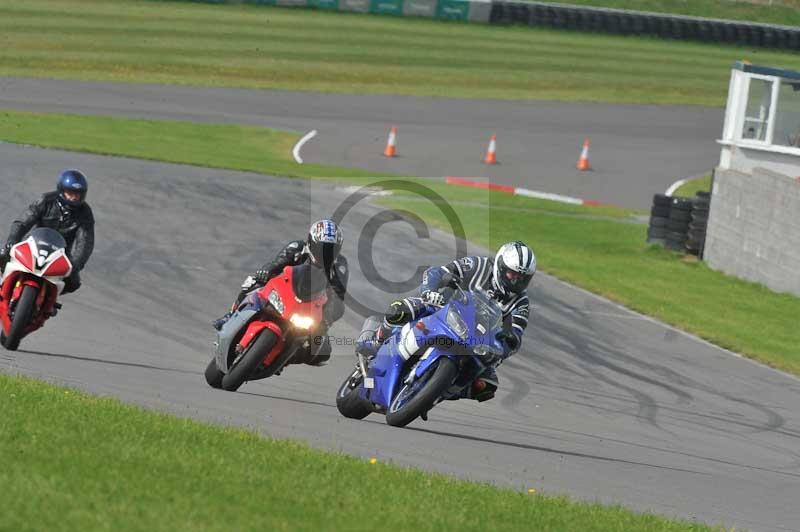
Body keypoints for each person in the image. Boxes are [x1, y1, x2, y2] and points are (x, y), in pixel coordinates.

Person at [356, 241, 535, 402]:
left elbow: (516, 334)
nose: (515, 280)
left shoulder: (521, 303)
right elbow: (438, 272)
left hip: (477, 342)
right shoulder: (478, 265)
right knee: (400, 309)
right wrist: (430, 291)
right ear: (500, 266)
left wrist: (506, 343)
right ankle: (378, 340)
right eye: (512, 274)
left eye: (522, 278)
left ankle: (439, 391)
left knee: (487, 385)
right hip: (443, 310)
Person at [213, 219, 349, 367]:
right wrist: (265, 272)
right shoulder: (297, 248)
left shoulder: (340, 265)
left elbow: (338, 296)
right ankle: (230, 315)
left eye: (331, 249)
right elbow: (276, 264)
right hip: (282, 291)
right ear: (311, 242)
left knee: (322, 352)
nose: (325, 253)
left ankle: (286, 358)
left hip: (311, 306)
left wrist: (326, 319)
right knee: (253, 282)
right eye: (322, 248)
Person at [0, 170, 94, 295]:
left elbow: (85, 242)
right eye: (70, 193)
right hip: (33, 244)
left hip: (61, 253)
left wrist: (77, 264)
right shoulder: (46, 200)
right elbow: (23, 222)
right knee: (3, 253)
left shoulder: (85, 213)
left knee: (74, 282)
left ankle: (50, 300)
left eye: (78, 194)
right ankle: (2, 284)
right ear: (61, 190)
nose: (74, 197)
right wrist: (13, 240)